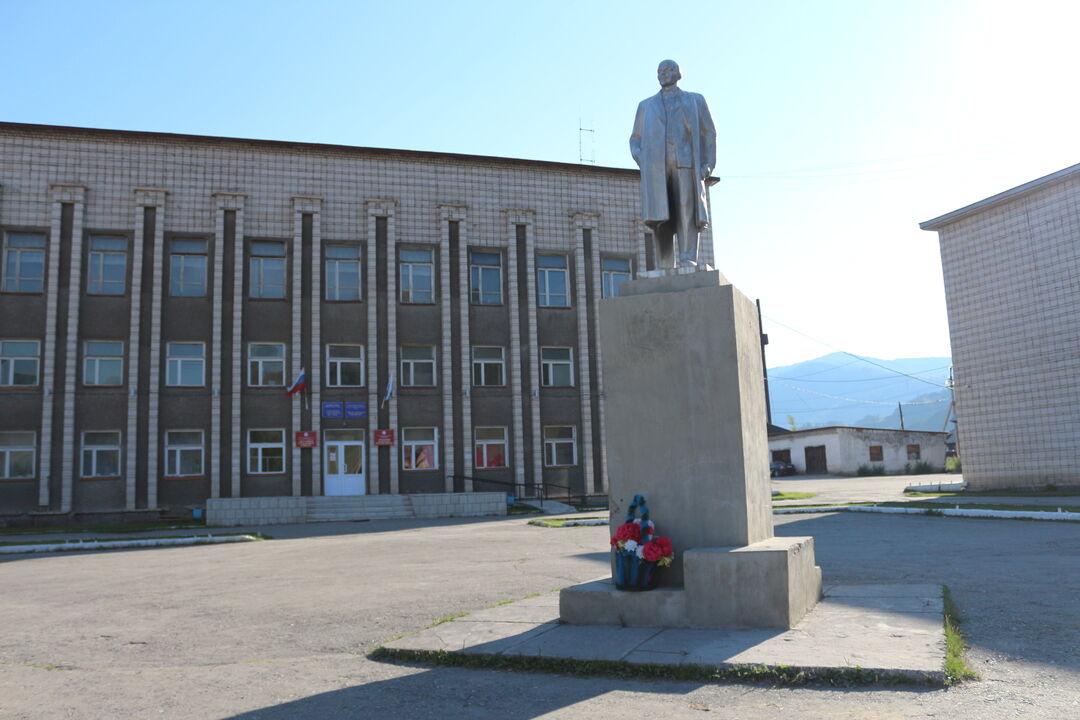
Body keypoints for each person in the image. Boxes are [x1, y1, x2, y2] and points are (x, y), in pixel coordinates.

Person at [629, 60, 716, 268]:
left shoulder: (695, 100)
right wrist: (644, 160)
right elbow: (635, 139)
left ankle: (688, 258)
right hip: (657, 168)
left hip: (686, 162)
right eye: (659, 71)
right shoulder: (646, 106)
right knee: (661, 216)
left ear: (679, 73)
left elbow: (709, 133)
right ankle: (665, 263)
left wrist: (708, 163)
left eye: (668, 70)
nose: (663, 74)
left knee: (686, 210)